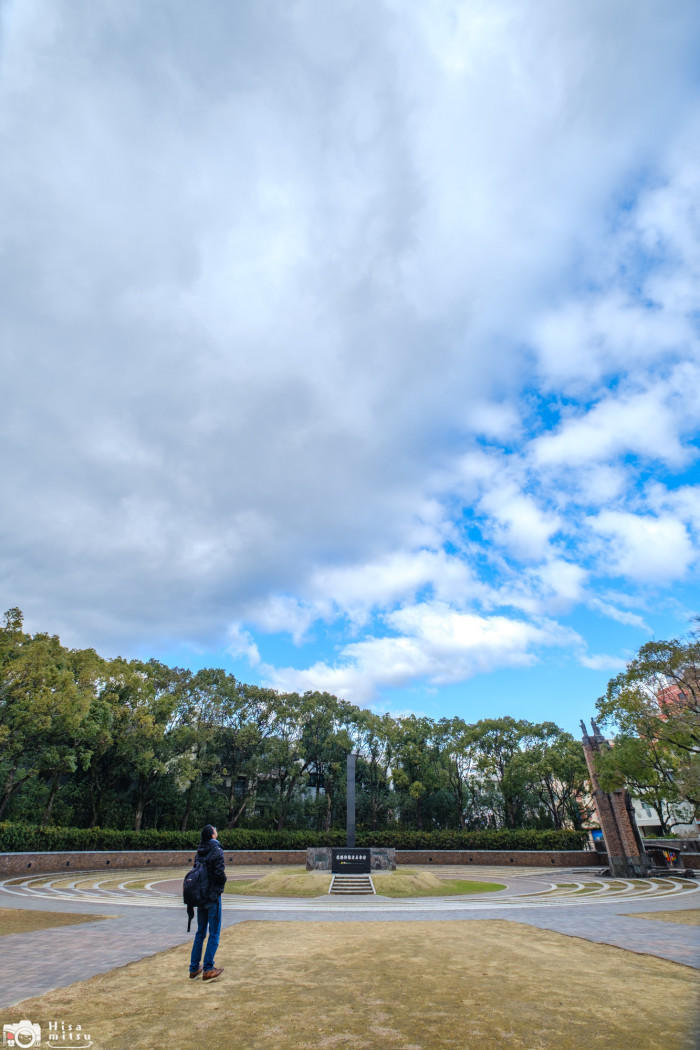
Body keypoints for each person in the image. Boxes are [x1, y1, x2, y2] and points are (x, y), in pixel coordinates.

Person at [189, 824, 227, 981]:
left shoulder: (199, 851)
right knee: (214, 932)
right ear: (212, 835)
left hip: (200, 896)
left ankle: (193, 967)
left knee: (200, 932)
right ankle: (208, 968)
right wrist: (222, 883)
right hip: (212, 896)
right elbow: (219, 873)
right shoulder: (217, 850)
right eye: (215, 830)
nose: (217, 832)